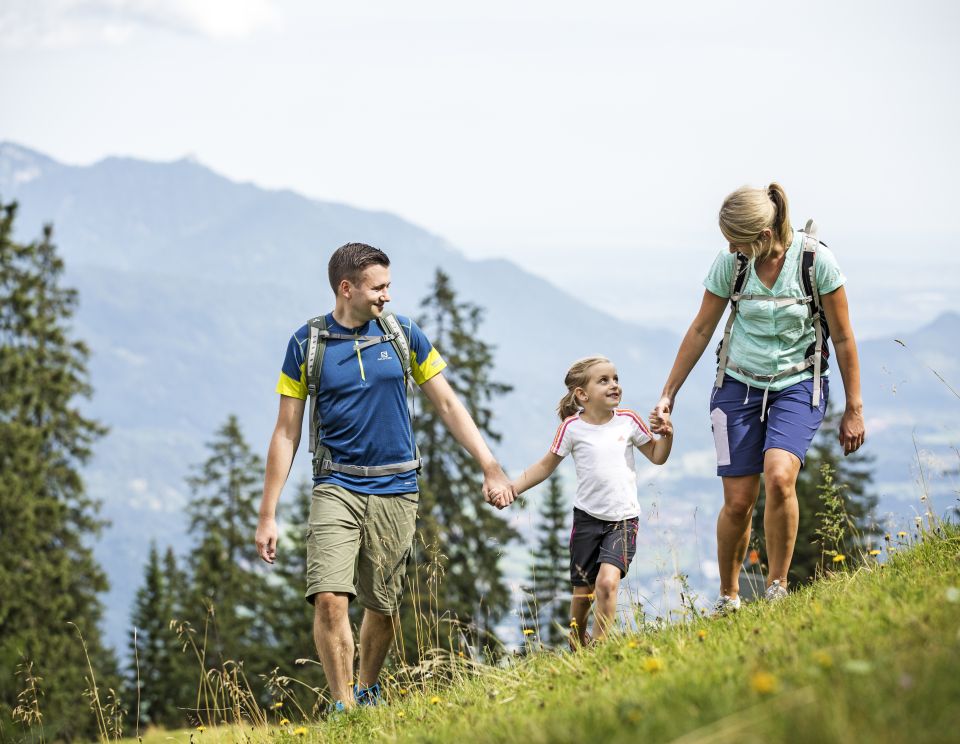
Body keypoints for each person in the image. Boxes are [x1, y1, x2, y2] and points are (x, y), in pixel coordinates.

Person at [254, 242, 516, 711]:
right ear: (346, 288)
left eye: (388, 287)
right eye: (378, 288)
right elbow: (286, 432)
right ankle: (344, 708)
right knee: (330, 598)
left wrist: (489, 464)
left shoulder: (402, 334)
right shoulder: (306, 344)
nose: (386, 297)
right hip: (336, 485)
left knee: (383, 605)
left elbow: (448, 404)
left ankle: (367, 688)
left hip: (397, 488)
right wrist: (267, 513)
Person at [651, 183, 865, 614]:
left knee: (780, 477)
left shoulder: (815, 262)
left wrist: (854, 408)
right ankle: (730, 597)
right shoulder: (731, 263)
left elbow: (842, 337)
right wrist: (667, 393)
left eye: (736, 239)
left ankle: (776, 589)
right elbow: (700, 330)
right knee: (738, 500)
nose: (729, 247)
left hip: (798, 383)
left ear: (764, 237)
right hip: (737, 382)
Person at [507, 356, 673, 646]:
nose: (614, 385)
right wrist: (513, 488)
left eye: (616, 378)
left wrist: (667, 436)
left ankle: (599, 649)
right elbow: (544, 466)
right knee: (583, 594)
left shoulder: (628, 421)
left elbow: (658, 456)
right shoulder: (571, 428)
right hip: (587, 521)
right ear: (582, 395)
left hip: (623, 521)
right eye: (604, 380)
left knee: (607, 583)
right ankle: (576, 639)